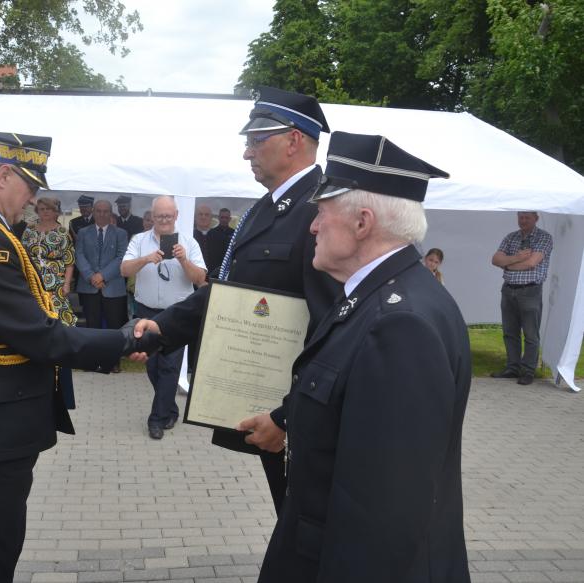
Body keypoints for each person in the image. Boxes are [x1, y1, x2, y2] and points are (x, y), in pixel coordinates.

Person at [0, 130, 159, 583]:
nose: (34, 200)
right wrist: (122, 339)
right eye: (30, 187)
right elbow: (38, 335)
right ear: (3, 174)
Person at [255, 131, 471, 583]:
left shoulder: (400, 324)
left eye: (321, 213)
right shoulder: (375, 297)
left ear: (362, 222)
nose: (312, 226)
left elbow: (381, 517)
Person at [134, 86, 341, 509]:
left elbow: (334, 328)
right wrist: (164, 326)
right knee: (292, 519)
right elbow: (229, 290)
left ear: (294, 140)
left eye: (255, 140)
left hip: (299, 414)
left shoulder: (325, 209)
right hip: (266, 405)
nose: (247, 153)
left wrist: (290, 418)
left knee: (310, 524)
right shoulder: (265, 209)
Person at [122, 195, 207, 439]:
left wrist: (183, 259)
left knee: (169, 367)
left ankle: (156, 420)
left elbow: (200, 280)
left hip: (177, 314)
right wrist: (145, 259)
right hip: (146, 311)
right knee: (153, 367)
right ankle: (170, 408)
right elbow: (124, 269)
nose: (164, 220)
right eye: (159, 216)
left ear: (177, 216)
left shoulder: (188, 243)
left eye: (168, 216)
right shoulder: (139, 240)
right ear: (151, 216)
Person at [22, 196, 78, 407]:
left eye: (49, 209)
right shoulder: (29, 231)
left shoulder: (63, 232)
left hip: (56, 286)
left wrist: (66, 284)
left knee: (59, 328)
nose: (45, 212)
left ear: (56, 211)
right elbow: (22, 257)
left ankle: (61, 386)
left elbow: (69, 261)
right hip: (33, 285)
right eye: (42, 208)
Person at [490, 211, 553, 385]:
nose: (523, 220)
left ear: (536, 219)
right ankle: (512, 368)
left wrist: (508, 265)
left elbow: (531, 262)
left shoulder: (544, 237)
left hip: (530, 291)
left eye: (527, 217)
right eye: (520, 217)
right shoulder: (511, 237)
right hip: (508, 290)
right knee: (510, 332)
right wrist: (517, 258)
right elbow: (495, 259)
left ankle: (528, 371)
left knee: (531, 334)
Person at [75, 199, 130, 372]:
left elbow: (121, 257)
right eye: (98, 211)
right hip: (89, 285)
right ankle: (92, 361)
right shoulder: (83, 232)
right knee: (92, 326)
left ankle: (112, 362)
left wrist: (103, 275)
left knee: (114, 327)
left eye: (106, 211)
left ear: (111, 212)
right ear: (93, 211)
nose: (102, 214)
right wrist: (91, 276)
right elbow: (79, 255)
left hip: (112, 287)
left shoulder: (120, 233)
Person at [204, 207, 234, 274]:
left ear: (230, 219)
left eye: (226, 218)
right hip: (213, 268)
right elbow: (206, 253)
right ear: (219, 218)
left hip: (228, 268)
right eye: (222, 217)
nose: (224, 220)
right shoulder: (211, 233)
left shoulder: (234, 233)